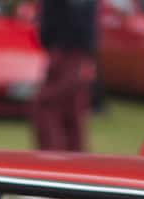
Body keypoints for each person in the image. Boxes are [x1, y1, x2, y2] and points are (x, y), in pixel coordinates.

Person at [31, 0, 95, 152]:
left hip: (65, 53)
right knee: (72, 111)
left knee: (47, 105)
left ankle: (53, 160)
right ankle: (73, 161)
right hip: (76, 53)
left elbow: (50, 28)